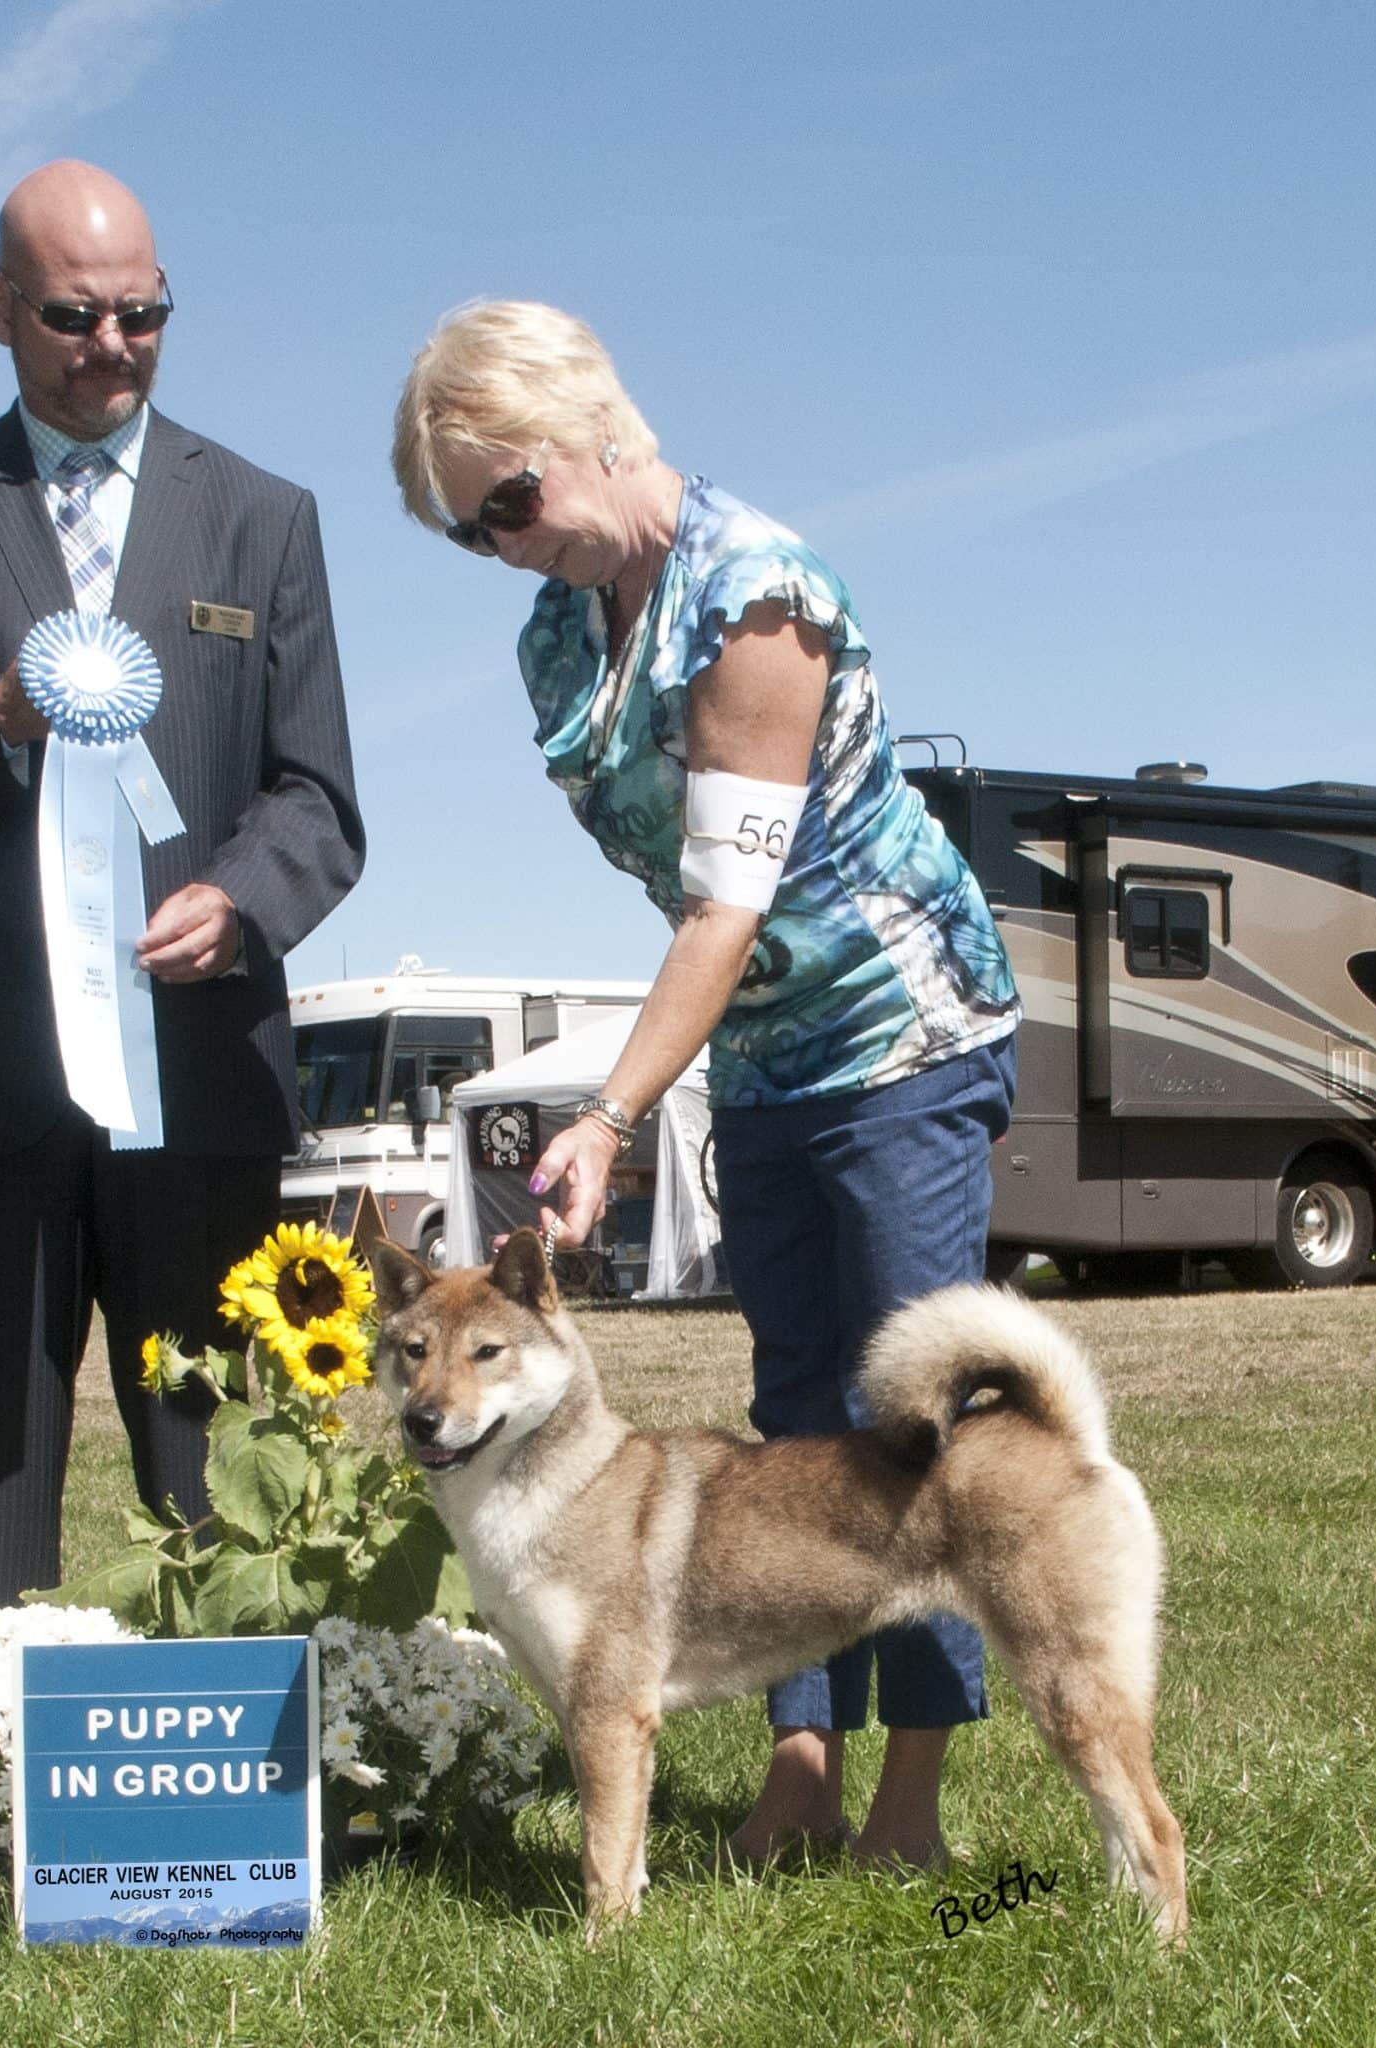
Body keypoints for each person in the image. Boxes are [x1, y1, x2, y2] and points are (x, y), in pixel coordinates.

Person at [390, 301, 1020, 1871]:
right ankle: (797, 1765)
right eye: (470, 532)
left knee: (909, 1434)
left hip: (899, 1038)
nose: (503, 544)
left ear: (595, 421)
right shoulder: (565, 631)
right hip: (763, 1056)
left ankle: (910, 1811)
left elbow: (726, 901)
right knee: (792, 1419)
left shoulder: (757, 596)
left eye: (511, 500)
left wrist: (606, 1115)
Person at [0, 162, 363, 1616]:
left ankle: (239, 1767)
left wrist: (241, 900)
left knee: (218, 1452)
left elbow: (319, 798)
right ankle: (1, 1767)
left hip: (202, 1067)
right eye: (73, 315)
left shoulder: (264, 519)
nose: (112, 345)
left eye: (143, 314)